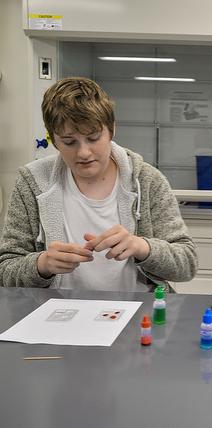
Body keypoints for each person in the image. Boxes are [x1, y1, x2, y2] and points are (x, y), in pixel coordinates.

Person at [0, 77, 198, 291]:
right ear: (54, 139)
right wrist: (42, 265)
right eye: (69, 142)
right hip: (58, 314)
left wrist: (142, 247)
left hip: (139, 313)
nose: (83, 153)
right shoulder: (33, 182)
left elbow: (186, 264)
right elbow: (6, 270)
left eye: (93, 138)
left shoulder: (147, 180)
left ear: (111, 129)